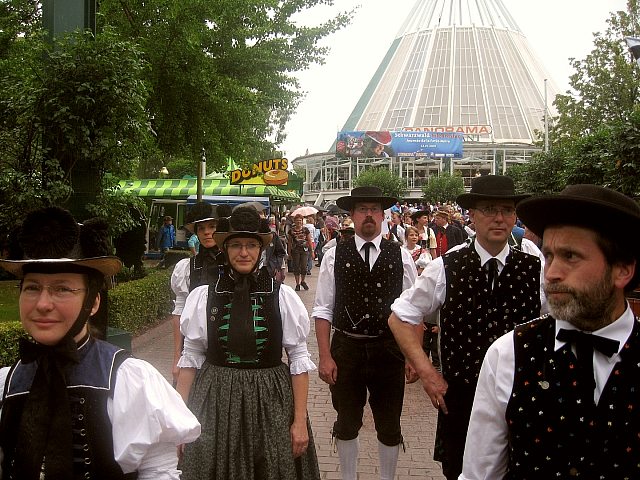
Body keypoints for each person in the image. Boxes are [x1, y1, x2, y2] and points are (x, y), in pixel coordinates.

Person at [0, 206, 200, 479]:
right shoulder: (7, 384)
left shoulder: (130, 381)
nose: (43, 304)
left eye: (62, 289)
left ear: (93, 302)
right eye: (32, 287)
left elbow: (158, 471)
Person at [461, 184, 640, 479]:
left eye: (571, 256)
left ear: (622, 270)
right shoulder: (508, 354)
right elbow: (479, 474)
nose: (552, 272)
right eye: (549, 255)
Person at [388, 175, 546, 480]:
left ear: (515, 216)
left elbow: (556, 326)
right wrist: (428, 374)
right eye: (489, 209)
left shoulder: (534, 268)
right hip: (463, 402)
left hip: (524, 401)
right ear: (472, 215)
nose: (499, 218)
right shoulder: (446, 266)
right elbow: (399, 317)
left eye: (507, 209)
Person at [176, 205, 320, 480]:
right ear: (226, 249)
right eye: (237, 245)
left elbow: (298, 359)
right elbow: (191, 357)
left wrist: (299, 420)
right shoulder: (205, 296)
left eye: (251, 245)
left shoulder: (282, 296)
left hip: (271, 401)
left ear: (260, 249)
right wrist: (179, 417)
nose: (244, 252)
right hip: (216, 400)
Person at [312, 186, 418, 480]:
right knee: (346, 421)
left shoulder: (402, 256)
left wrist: (415, 357)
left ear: (383, 216)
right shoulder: (334, 255)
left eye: (374, 209)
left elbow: (413, 313)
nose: (369, 215)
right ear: (352, 215)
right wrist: (324, 356)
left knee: (389, 423)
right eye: (362, 209)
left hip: (389, 350)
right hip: (347, 348)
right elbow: (322, 310)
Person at [169, 202, 226, 385]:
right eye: (201, 228)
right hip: (195, 350)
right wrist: (177, 356)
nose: (207, 232)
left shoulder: (237, 263)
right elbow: (180, 313)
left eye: (212, 226)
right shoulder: (187, 267)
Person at [287, 213, 315, 291]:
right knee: (296, 267)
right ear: (294, 221)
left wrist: (312, 251)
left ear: (302, 221)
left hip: (304, 250)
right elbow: (289, 242)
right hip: (295, 250)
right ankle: (297, 284)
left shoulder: (305, 230)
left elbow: (309, 240)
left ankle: (303, 281)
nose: (298, 222)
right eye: (297, 220)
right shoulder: (291, 231)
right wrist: (289, 253)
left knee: (304, 266)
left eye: (300, 220)